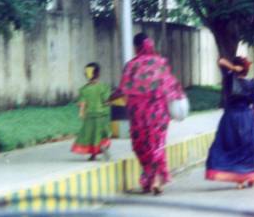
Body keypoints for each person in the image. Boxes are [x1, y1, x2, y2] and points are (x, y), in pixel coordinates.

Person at [109, 33, 184, 195]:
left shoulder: (131, 66)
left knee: (141, 146)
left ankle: (150, 179)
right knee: (157, 145)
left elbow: (122, 89)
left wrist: (110, 98)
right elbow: (171, 85)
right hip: (159, 113)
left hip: (138, 114)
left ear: (136, 47)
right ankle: (155, 179)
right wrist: (179, 98)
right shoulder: (160, 63)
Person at [205, 57, 254, 189]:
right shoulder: (250, 84)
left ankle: (240, 180)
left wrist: (231, 68)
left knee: (231, 147)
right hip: (247, 119)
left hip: (230, 119)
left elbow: (220, 61)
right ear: (247, 70)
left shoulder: (228, 80)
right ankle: (249, 176)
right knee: (247, 148)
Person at [71, 63, 111, 161]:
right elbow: (106, 101)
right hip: (101, 115)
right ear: (99, 74)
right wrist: (109, 103)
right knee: (101, 134)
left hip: (90, 115)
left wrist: (81, 112)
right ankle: (103, 147)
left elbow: (82, 103)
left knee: (91, 134)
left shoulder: (84, 90)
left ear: (86, 75)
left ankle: (93, 155)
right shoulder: (103, 87)